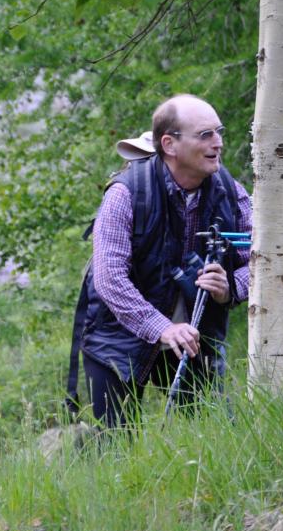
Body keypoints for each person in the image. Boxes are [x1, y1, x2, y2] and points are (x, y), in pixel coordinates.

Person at [79, 95, 252, 427]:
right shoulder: (125, 193)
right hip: (117, 334)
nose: (219, 143)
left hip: (194, 337)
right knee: (113, 446)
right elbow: (109, 277)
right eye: (205, 135)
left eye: (219, 132)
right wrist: (162, 328)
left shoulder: (232, 193)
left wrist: (230, 287)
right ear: (169, 144)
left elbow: (263, 262)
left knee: (210, 436)